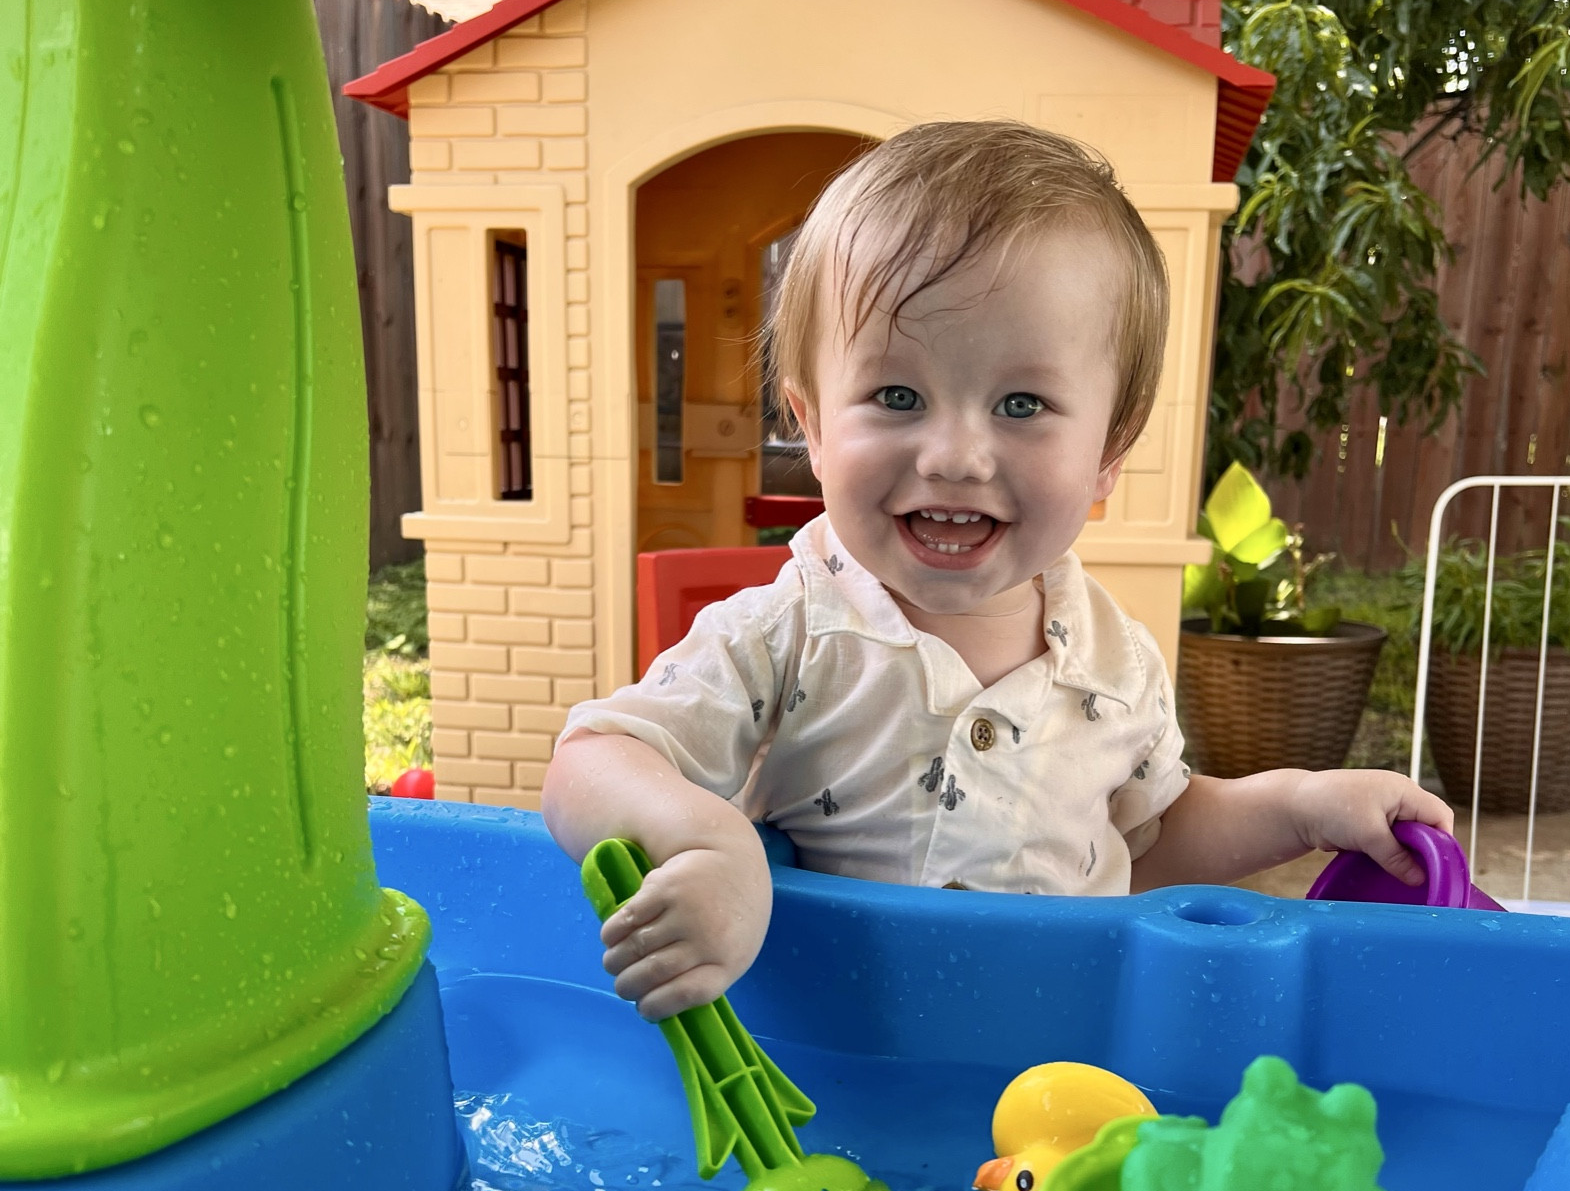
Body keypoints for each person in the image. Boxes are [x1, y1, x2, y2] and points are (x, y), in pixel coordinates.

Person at [542, 121, 1450, 1021]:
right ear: (811, 425)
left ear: (1108, 452)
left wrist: (1297, 807)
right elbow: (590, 762)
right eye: (896, 397)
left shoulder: (1115, 662)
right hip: (834, 1065)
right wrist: (709, 844)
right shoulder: (785, 635)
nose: (955, 455)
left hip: (1059, 1065)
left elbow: (1151, 836)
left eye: (1022, 404)